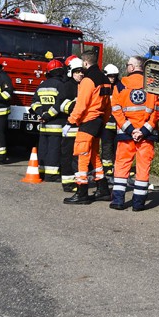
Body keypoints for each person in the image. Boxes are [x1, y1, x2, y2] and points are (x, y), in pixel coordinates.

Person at [110, 56, 159, 211]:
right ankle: (138, 204)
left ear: (132, 67)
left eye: (127, 65)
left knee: (121, 166)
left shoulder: (120, 85)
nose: (126, 67)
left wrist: (129, 129)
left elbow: (116, 110)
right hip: (146, 135)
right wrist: (144, 130)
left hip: (126, 135)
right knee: (143, 167)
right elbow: (158, 110)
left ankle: (118, 201)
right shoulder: (154, 85)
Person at [63, 50, 112, 204]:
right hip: (98, 121)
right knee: (93, 155)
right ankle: (103, 189)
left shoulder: (87, 80)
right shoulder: (105, 79)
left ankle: (82, 192)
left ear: (85, 63)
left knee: (82, 155)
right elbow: (108, 106)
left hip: (88, 121)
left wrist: (71, 121)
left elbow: (81, 104)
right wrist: (103, 121)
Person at [29, 59, 69, 182]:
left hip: (43, 125)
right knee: (54, 149)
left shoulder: (41, 85)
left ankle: (40, 171)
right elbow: (60, 104)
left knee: (43, 148)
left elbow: (34, 103)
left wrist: (41, 113)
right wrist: (48, 115)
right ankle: (51, 175)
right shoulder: (62, 85)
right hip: (56, 124)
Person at [59, 57, 83, 192]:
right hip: (69, 127)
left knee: (78, 157)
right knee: (67, 155)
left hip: (80, 127)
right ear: (71, 72)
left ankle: (77, 180)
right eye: (77, 71)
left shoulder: (83, 85)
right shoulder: (67, 85)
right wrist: (77, 103)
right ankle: (68, 183)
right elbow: (61, 105)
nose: (80, 74)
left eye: (81, 72)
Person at [100, 64, 120, 181]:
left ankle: (117, 168)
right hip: (107, 124)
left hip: (118, 124)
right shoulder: (102, 87)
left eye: (114, 76)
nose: (112, 79)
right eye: (110, 76)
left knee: (117, 147)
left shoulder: (119, 87)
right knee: (107, 146)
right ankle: (107, 168)